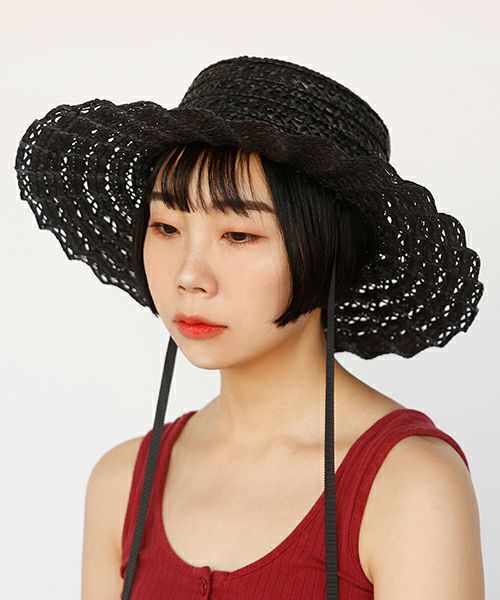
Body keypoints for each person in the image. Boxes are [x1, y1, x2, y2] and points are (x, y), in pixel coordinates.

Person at [14, 55, 485, 599]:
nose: (189, 277)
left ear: (327, 249)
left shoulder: (408, 486)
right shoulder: (121, 485)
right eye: (165, 227)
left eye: (239, 235)